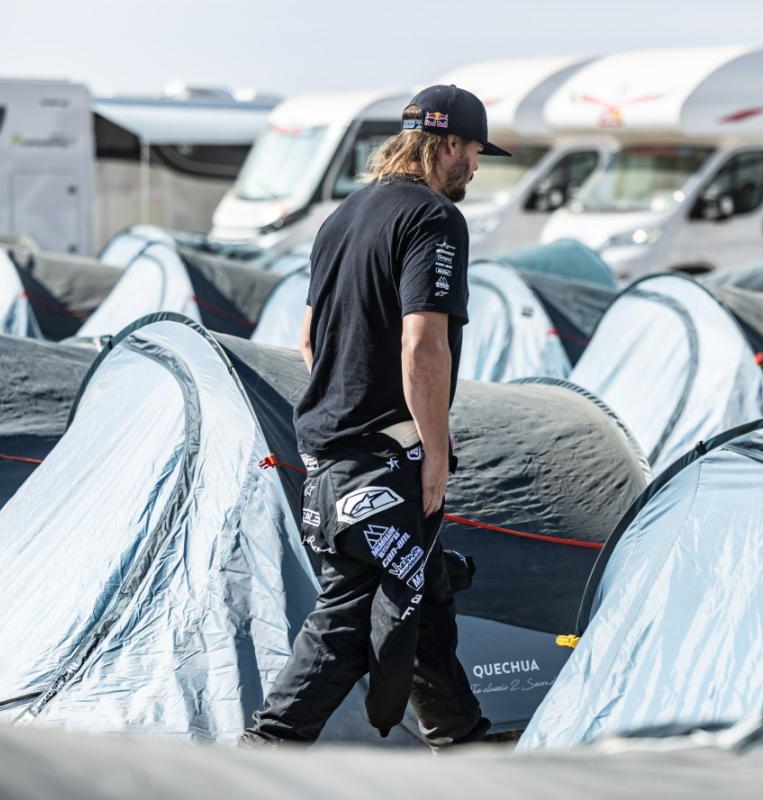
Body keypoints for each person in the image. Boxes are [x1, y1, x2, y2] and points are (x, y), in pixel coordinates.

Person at [239, 85, 510, 748]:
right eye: (475, 151)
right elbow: (423, 344)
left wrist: (347, 400)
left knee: (422, 599)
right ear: (448, 144)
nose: (477, 166)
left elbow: (309, 339)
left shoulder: (344, 215)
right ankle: (265, 751)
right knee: (349, 620)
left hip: (331, 444)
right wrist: (434, 449)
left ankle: (463, 742)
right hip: (383, 455)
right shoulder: (434, 218)